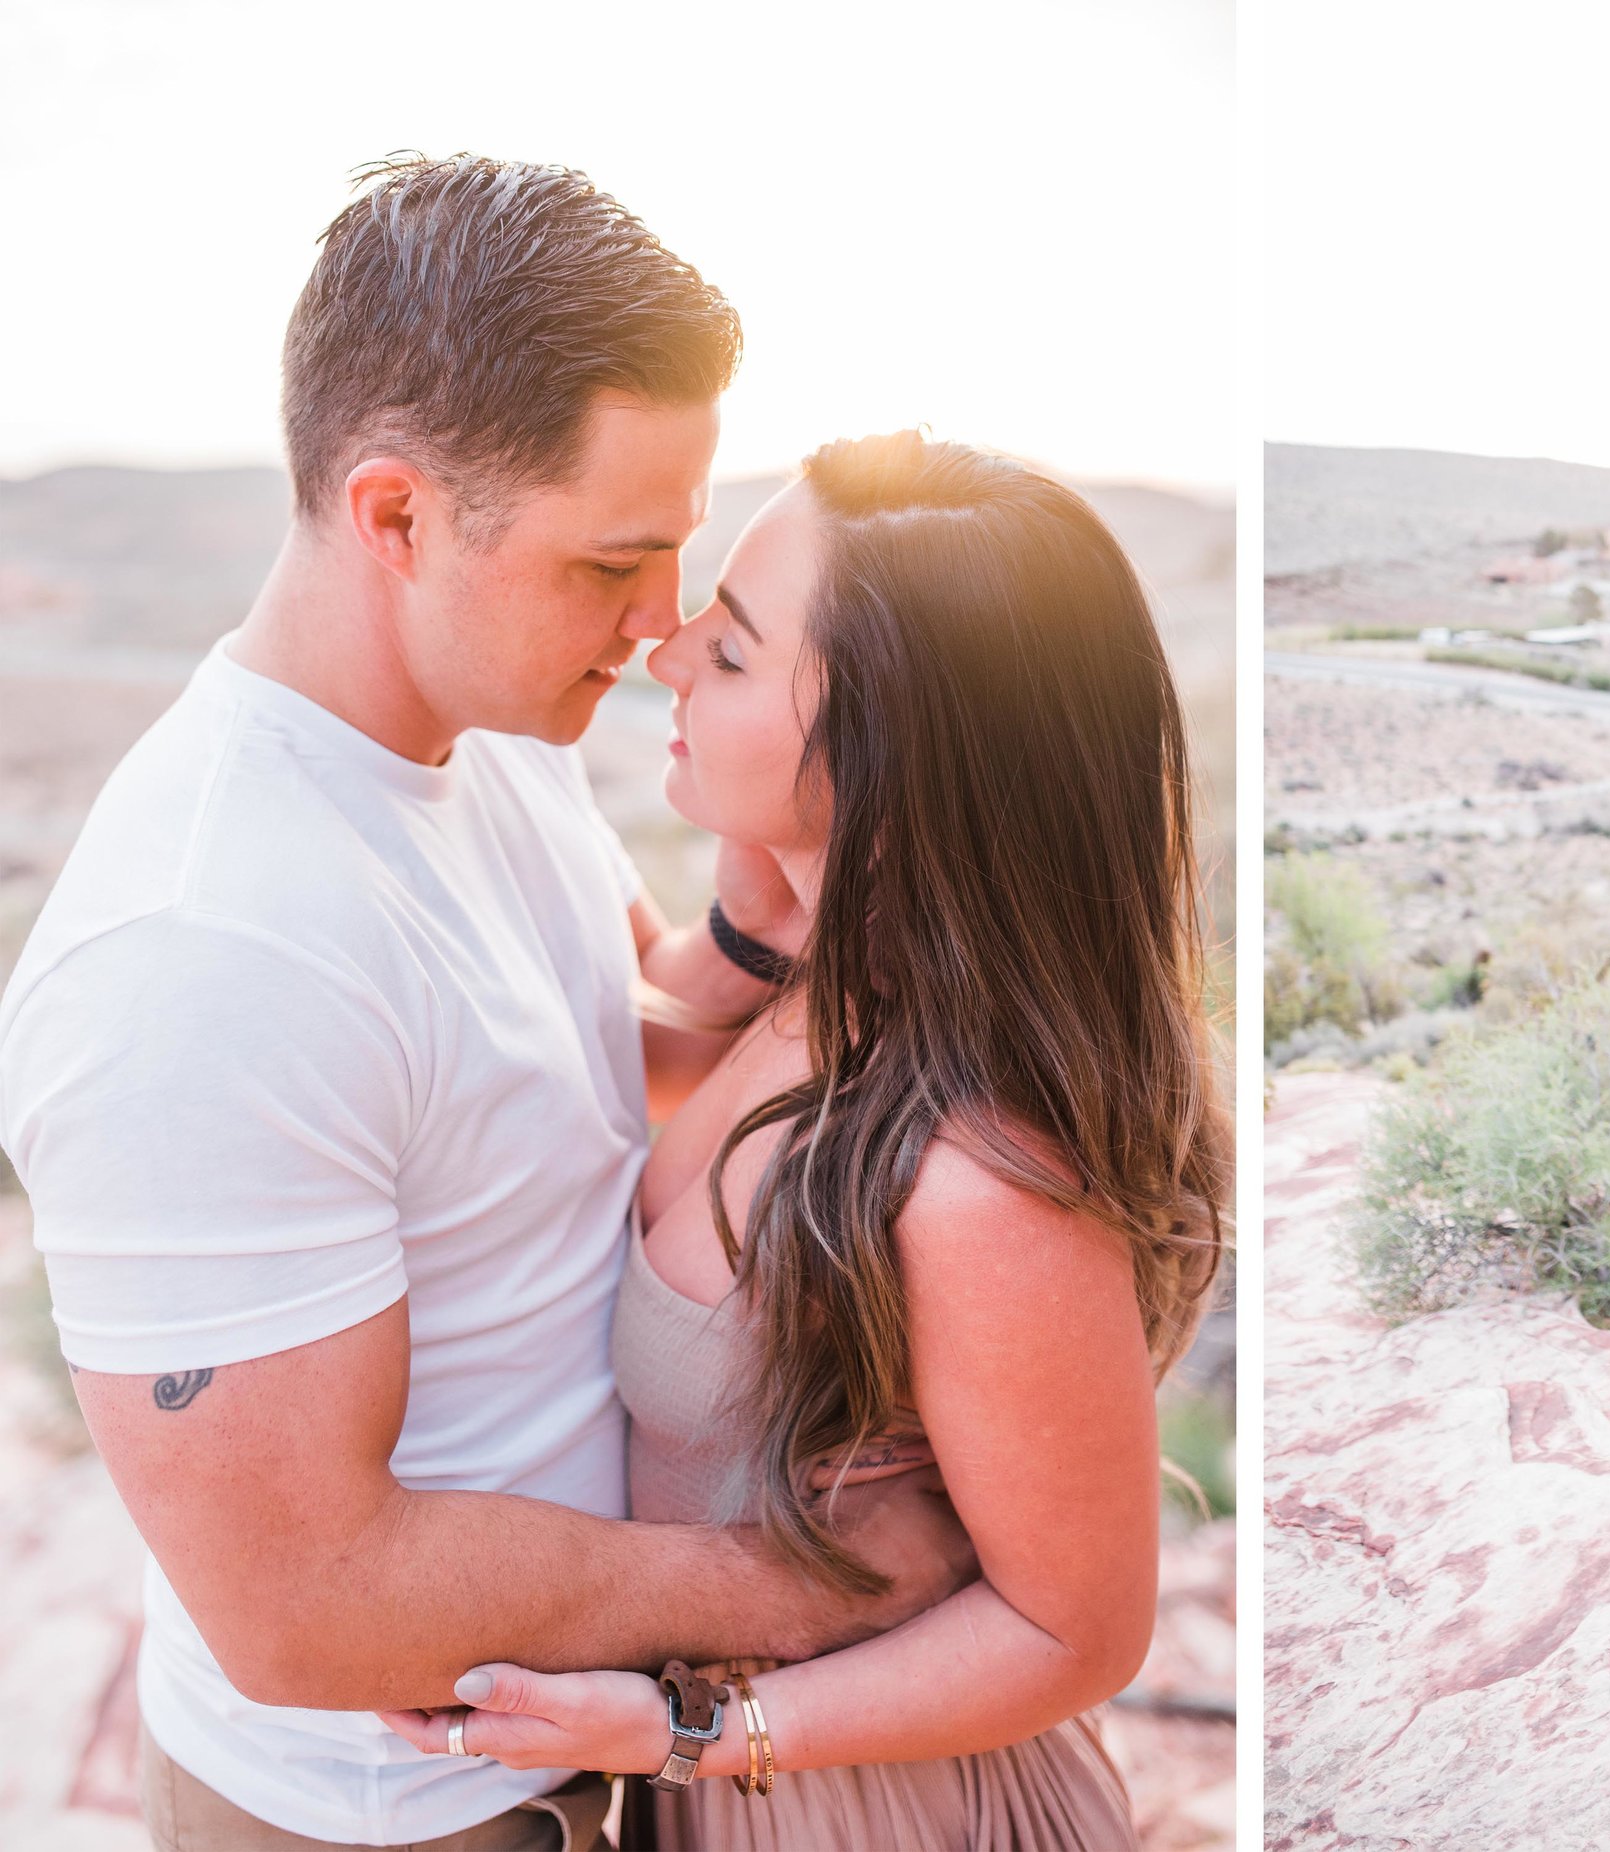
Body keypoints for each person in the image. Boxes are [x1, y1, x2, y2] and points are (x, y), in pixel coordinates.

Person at [0, 157, 969, 1852]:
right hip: (384, 1814)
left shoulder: (483, 739)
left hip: (587, 1744)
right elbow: (304, 1603)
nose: (660, 626)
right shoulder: (200, 957)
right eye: (616, 561)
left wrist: (752, 940)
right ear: (397, 519)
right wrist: (779, 1590)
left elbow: (581, 1071)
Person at [375, 432, 1231, 1851]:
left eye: (729, 656)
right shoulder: (824, 995)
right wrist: (756, 915)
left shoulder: (982, 1176)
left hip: (875, 1811)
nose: (667, 657)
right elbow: (598, 1083)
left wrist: (687, 1734)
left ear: (892, 744)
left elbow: (1077, 1633)